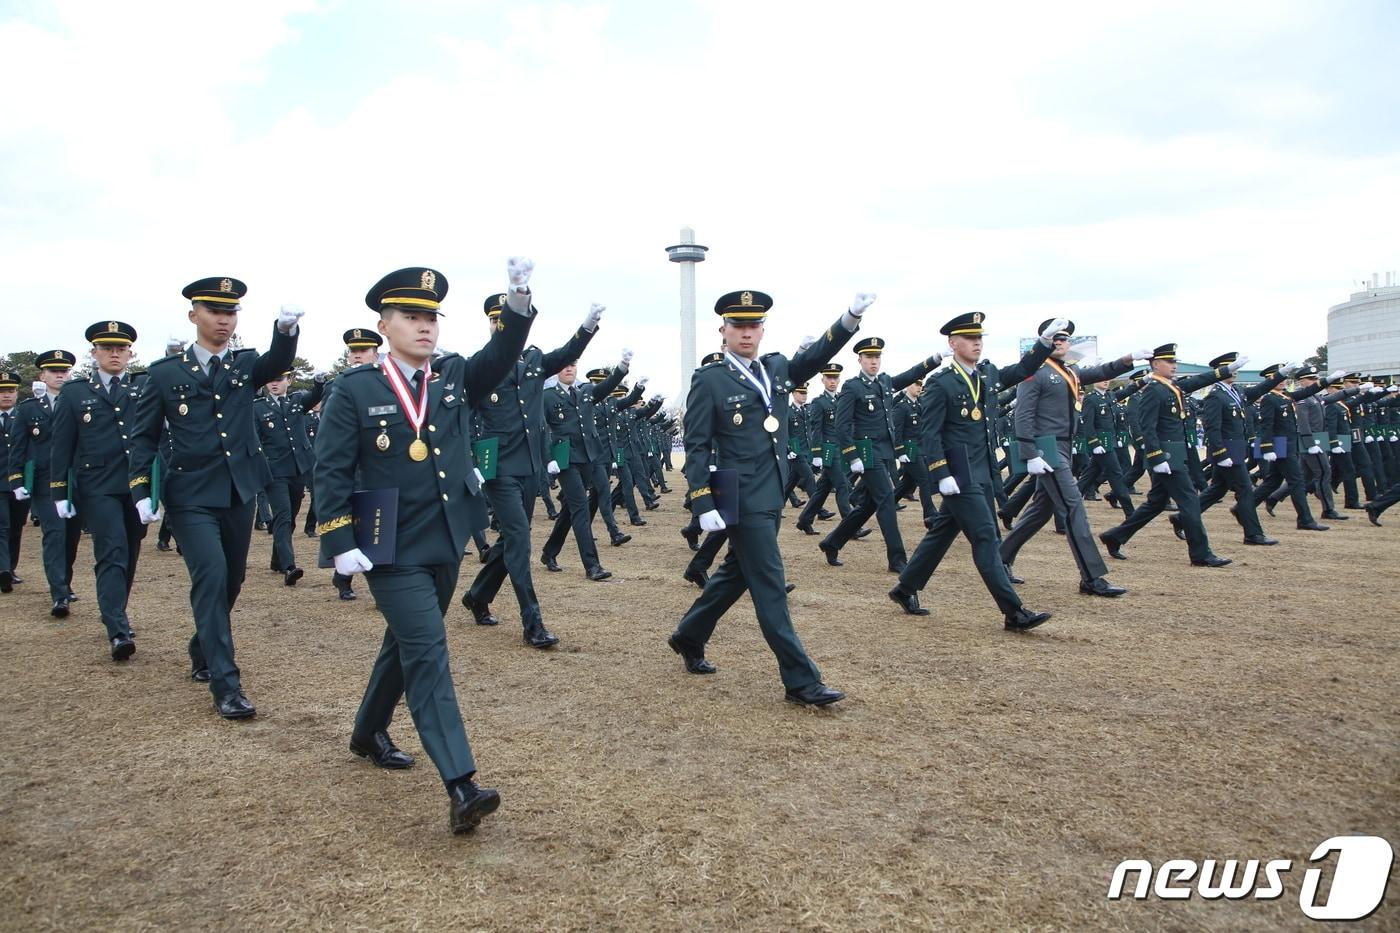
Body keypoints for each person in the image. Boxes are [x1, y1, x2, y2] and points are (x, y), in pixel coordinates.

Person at [316, 261, 536, 834]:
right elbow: (332, 471)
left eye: (431, 317)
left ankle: (367, 730)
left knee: (406, 642)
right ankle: (461, 783)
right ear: (385, 325)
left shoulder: (455, 376)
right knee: (428, 648)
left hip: (443, 535)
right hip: (384, 540)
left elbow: (502, 355)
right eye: (411, 317)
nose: (425, 327)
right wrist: (339, 539)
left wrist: (516, 302)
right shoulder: (355, 389)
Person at [669, 288, 872, 706]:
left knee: (735, 573)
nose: (746, 333)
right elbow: (697, 445)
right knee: (770, 585)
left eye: (753, 325)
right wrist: (704, 500)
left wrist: (849, 318)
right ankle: (801, 680)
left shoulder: (776, 368)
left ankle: (688, 636)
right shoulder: (709, 380)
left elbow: (815, 357)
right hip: (736, 493)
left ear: (762, 329)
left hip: (772, 490)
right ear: (722, 330)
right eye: (738, 325)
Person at [128, 276, 302, 719]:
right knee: (210, 576)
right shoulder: (164, 374)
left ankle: (201, 645)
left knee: (232, 580)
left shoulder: (245, 364)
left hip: (239, 488)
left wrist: (284, 331)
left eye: (231, 312)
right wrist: (141, 488)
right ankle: (226, 684)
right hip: (190, 493)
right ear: (194, 316)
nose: (224, 320)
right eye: (214, 312)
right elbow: (143, 437)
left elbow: (278, 361)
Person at [887, 313, 1061, 628]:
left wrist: (1044, 343)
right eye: (969, 338)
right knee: (986, 537)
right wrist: (942, 473)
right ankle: (1014, 612)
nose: (977, 342)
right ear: (953, 344)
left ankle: (905, 587)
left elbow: (1023, 369)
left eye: (979, 337)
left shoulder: (986, 375)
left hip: (981, 471)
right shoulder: (941, 382)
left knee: (941, 534)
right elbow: (930, 434)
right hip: (958, 473)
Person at [460, 297, 600, 648]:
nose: (500, 325)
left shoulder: (536, 360)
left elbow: (567, 353)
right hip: (497, 469)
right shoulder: (479, 365)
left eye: (506, 319)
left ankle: (477, 595)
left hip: (529, 467)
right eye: (495, 320)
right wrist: (473, 464)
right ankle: (532, 623)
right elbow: (463, 419)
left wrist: (587, 326)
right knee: (520, 541)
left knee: (511, 540)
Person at [997, 321, 1143, 596]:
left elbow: (1100, 371)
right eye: (1056, 339)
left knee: (1042, 509)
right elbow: (1023, 413)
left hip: (1064, 445)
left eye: (1066, 340)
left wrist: (1128, 360)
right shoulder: (1036, 372)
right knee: (1073, 505)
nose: (1062, 343)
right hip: (1047, 448)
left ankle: (1000, 558)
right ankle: (1092, 576)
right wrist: (1030, 452)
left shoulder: (1070, 371)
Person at [50, 322, 148, 659]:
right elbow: (61, 446)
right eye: (107, 348)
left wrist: (158, 488)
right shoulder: (75, 393)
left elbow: (156, 439)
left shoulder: (141, 389)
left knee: (131, 550)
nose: (115, 354)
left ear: (130, 353)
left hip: (135, 486)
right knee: (112, 550)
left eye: (121, 348)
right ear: (95, 353)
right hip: (97, 486)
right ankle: (117, 628)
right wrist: (59, 491)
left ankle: (117, 609)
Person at [1097, 345, 1241, 566]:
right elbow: (1147, 427)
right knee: (1190, 502)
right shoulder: (1154, 390)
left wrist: (1224, 370)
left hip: (1174, 454)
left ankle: (1114, 536)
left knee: (1155, 504)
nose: (1174, 366)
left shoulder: (1170, 386)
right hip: (1165, 457)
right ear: (1155, 365)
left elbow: (1196, 382)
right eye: (1169, 362)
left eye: (1174, 362)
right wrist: (1156, 457)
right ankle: (1201, 554)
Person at [818, 339, 942, 572]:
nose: (874, 362)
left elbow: (909, 375)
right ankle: (897, 559)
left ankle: (832, 542)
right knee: (886, 499)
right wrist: (852, 455)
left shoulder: (884, 381)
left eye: (877, 358)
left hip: (885, 452)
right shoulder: (852, 387)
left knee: (868, 505)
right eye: (869, 358)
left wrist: (933, 361)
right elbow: (842, 426)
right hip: (867, 452)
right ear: (860, 360)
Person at [538, 351, 632, 577]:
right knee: (580, 508)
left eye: (572, 365)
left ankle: (549, 551)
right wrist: (548, 458)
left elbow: (607, 386)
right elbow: (541, 430)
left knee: (573, 507)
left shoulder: (586, 392)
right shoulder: (547, 396)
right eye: (564, 366)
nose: (569, 369)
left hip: (589, 457)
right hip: (565, 459)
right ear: (557, 370)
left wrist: (622, 366)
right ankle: (592, 565)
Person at [9, 349, 82, 616]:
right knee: (55, 534)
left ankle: (66, 581)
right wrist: (16, 479)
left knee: (71, 537)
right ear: (43, 375)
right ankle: (59, 593)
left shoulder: (80, 401)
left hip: (76, 481)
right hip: (45, 482)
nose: (60, 375)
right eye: (54, 371)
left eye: (64, 371)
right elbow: (18, 447)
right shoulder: (29, 409)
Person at [1195, 356, 1287, 545]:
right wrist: (1220, 454)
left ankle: (1182, 518)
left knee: (1217, 490)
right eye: (1229, 367)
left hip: (1236, 449)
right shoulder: (1215, 396)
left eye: (1235, 367)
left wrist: (1280, 375)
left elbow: (1260, 389)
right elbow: (1212, 428)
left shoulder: (1236, 391)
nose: (1234, 371)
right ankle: (1253, 534)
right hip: (1226, 451)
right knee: (1245, 490)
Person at [255, 370, 325, 585]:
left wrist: (318, 384)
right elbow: (255, 440)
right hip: (275, 472)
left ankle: (277, 560)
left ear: (289, 381)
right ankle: (289, 567)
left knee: (291, 518)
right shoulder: (258, 407)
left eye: (279, 380)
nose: (274, 384)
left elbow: (314, 397)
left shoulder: (296, 402)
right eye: (271, 379)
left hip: (298, 469)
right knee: (283, 516)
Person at [795, 363, 852, 533]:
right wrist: (817, 454)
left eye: (835, 378)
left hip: (841, 449)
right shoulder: (819, 402)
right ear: (823, 380)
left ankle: (805, 520)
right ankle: (850, 526)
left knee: (823, 488)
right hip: (828, 450)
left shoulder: (842, 399)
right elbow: (816, 429)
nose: (833, 381)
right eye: (829, 378)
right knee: (843, 485)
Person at [0, 370, 25, 592]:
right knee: (2, 527)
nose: (6, 395)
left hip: (19, 484)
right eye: (1, 392)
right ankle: (3, 570)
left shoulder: (24, 417)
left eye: (10, 391)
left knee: (16, 527)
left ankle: (11, 568)